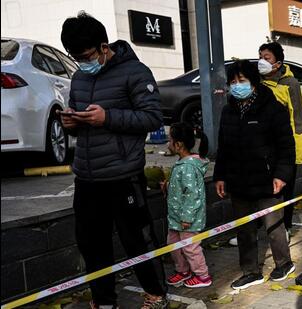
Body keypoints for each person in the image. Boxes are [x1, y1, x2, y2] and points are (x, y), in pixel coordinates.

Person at [59, 12, 167, 308]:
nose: (83, 62)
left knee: (137, 239)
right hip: (87, 174)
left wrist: (107, 117)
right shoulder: (80, 76)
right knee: (91, 244)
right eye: (76, 56)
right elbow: (80, 116)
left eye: (87, 55)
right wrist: (72, 123)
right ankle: (104, 301)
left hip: (123, 174)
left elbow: (152, 117)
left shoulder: (136, 72)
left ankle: (156, 294)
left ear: (104, 47)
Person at [213, 60, 296, 290]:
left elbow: (286, 147)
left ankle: (284, 263)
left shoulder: (273, 108)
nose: (237, 86)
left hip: (267, 180)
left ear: (254, 82)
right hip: (238, 181)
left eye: (242, 81)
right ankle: (250, 271)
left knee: (273, 226)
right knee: (245, 230)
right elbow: (223, 147)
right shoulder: (228, 111)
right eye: (233, 82)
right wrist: (220, 176)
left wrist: (281, 175)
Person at [258, 42, 302, 238]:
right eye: (260, 56)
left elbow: (298, 119)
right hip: (262, 148)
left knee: (285, 192)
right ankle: (257, 229)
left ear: (277, 63)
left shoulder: (290, 84)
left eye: (266, 58)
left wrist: (297, 151)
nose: (262, 61)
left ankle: (285, 227)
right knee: (261, 191)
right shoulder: (256, 83)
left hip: (285, 147)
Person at [164, 123, 211, 289]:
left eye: (170, 140)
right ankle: (183, 271)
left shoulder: (189, 167)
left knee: (190, 248)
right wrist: (168, 186)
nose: (167, 144)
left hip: (187, 219)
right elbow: (182, 188)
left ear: (179, 145)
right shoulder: (182, 164)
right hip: (176, 218)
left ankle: (203, 275)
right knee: (173, 245)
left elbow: (192, 194)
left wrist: (186, 217)